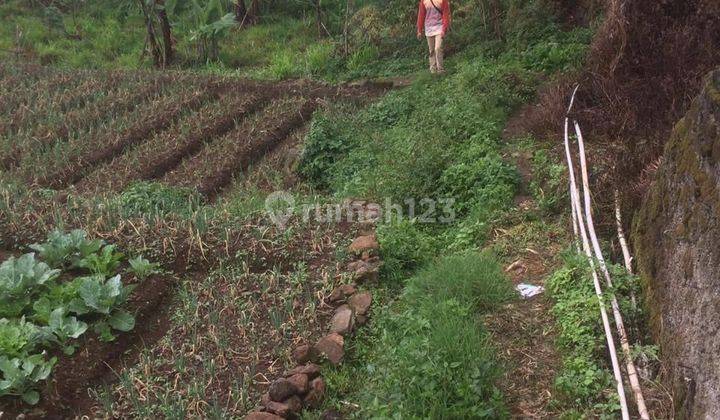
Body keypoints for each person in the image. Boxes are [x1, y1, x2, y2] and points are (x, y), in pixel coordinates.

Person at [416, 0, 451, 74]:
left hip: (440, 27)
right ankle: (433, 70)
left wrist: (444, 29)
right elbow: (421, 15)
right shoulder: (424, 1)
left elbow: (446, 14)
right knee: (431, 50)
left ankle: (440, 70)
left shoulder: (443, 1)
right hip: (429, 28)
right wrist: (419, 30)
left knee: (438, 48)